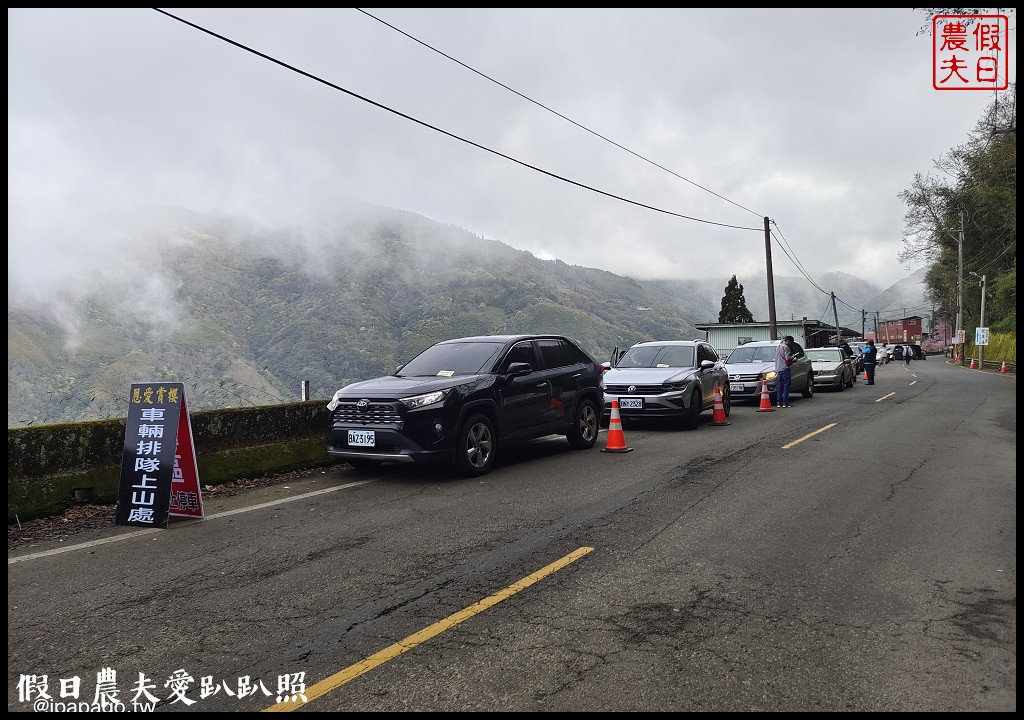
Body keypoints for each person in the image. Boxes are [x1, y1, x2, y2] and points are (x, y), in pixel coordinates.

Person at [775, 336, 794, 407]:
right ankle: (785, 402)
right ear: (788, 341)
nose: (791, 344)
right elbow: (788, 358)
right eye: (791, 342)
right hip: (785, 368)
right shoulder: (786, 347)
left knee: (780, 386)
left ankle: (779, 402)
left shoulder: (778, 347)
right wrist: (794, 358)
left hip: (779, 368)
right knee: (786, 385)